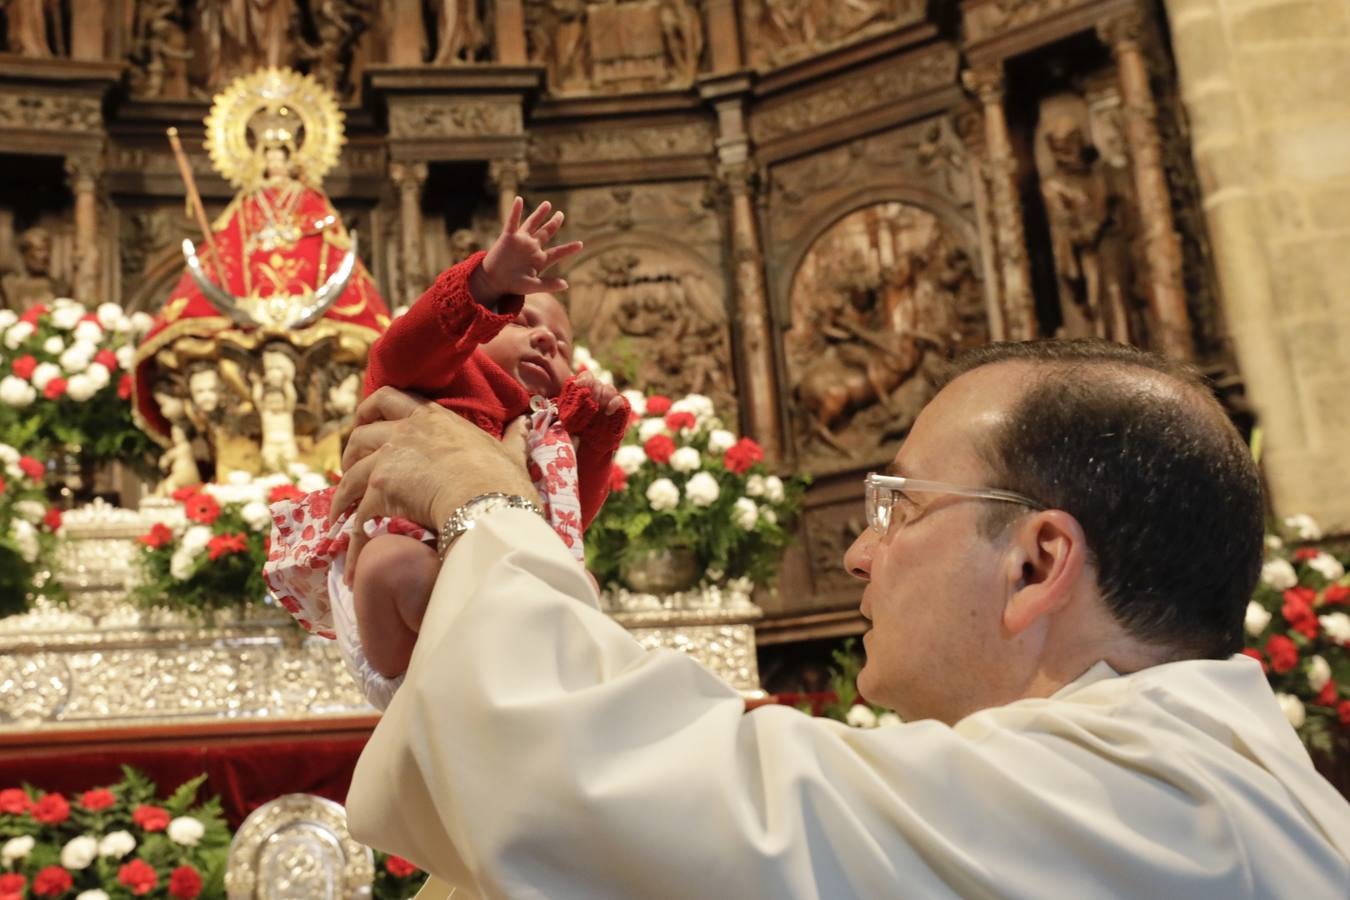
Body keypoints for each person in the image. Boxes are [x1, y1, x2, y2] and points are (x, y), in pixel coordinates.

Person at [336, 339, 1350, 898]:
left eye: (900, 507)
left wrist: (490, 511)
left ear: (1039, 562)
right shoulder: (1216, 786)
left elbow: (597, 790)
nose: (861, 550)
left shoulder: (1149, 809)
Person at [264, 198, 629, 709]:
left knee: (579, 583)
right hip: (416, 564)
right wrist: (487, 283)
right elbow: (404, 347)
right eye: (521, 320)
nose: (547, 339)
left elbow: (572, 517)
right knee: (393, 565)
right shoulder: (440, 374)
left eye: (565, 346)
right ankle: (412, 679)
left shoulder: (544, 428)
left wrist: (596, 433)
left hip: (503, 585)